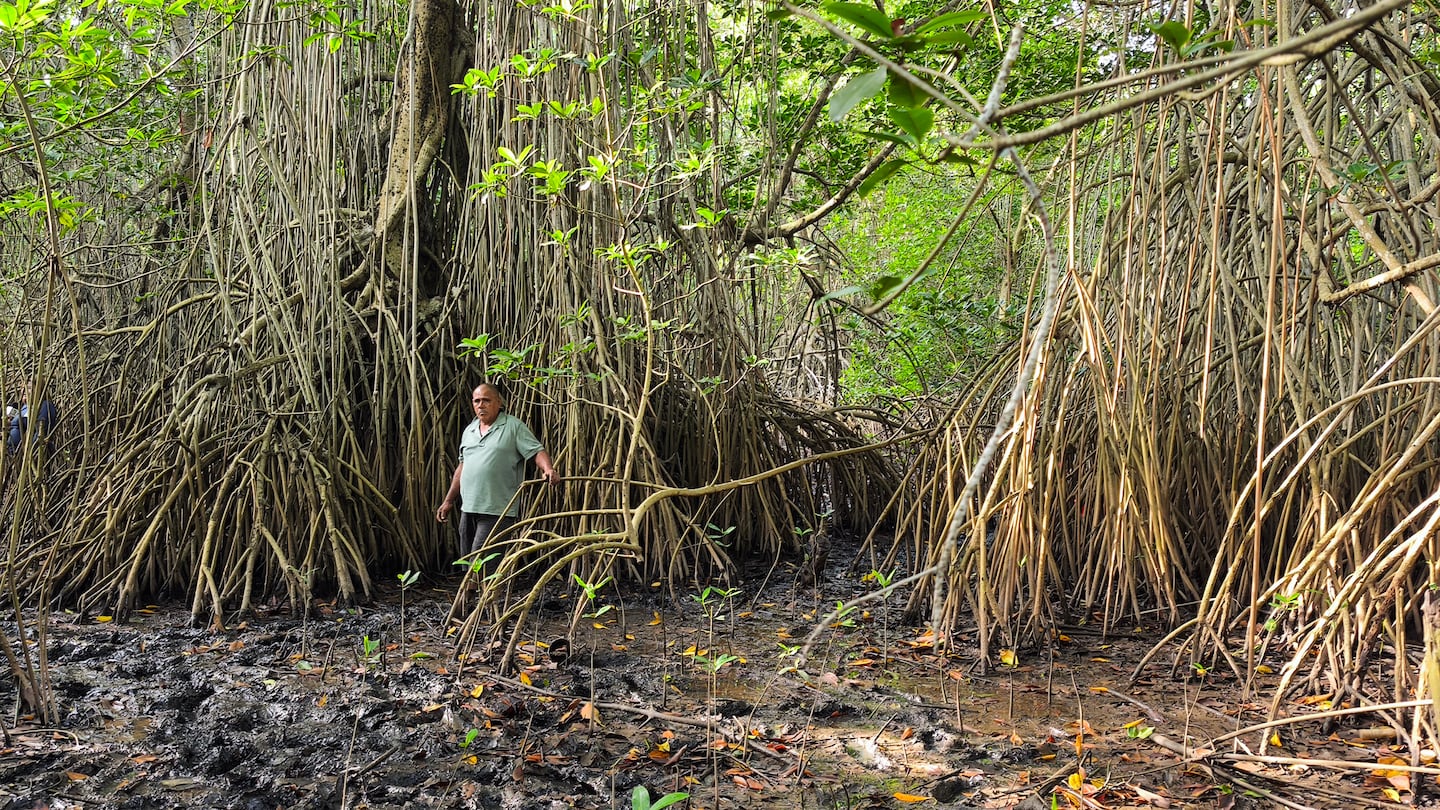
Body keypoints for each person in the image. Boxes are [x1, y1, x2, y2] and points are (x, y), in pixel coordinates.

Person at [436, 382, 558, 557]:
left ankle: (488, 586)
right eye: (477, 401)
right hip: (469, 508)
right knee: (468, 562)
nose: (481, 405)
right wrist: (448, 501)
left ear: (499, 403)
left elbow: (537, 451)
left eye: (486, 400)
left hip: (497, 510)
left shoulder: (513, 427)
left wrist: (548, 469)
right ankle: (473, 586)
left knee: (482, 561)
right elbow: (463, 467)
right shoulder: (469, 430)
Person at [7, 379, 58, 453]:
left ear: (39, 390)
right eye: (22, 387)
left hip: (30, 455)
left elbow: (41, 431)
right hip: (13, 454)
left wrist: (29, 453)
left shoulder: (45, 406)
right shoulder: (23, 407)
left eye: (29, 388)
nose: (24, 391)